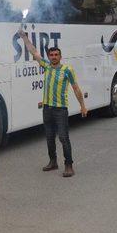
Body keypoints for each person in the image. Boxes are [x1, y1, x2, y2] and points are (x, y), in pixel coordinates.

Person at [18, 28, 87, 177]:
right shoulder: (46, 66)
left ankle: (69, 165)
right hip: (47, 108)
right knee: (49, 137)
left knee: (63, 137)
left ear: (60, 57)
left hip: (60, 109)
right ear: (49, 57)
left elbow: (76, 88)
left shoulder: (67, 70)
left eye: (56, 55)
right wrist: (24, 38)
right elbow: (34, 51)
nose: (54, 57)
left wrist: (82, 106)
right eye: (51, 55)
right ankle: (53, 161)